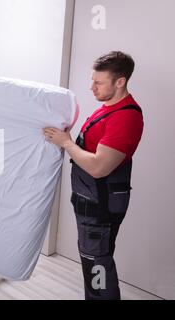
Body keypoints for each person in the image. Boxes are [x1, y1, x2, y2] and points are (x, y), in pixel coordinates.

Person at [43, 51, 144, 300]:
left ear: (120, 81)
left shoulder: (125, 117)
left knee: (97, 264)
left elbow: (99, 167)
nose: (91, 87)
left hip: (101, 206)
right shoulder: (106, 109)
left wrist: (66, 143)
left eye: (98, 82)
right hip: (90, 202)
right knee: (93, 261)